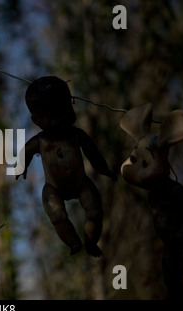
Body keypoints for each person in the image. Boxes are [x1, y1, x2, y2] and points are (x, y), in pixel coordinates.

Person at [16, 76, 116, 256]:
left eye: (64, 112)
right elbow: (26, 152)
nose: (59, 120)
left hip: (81, 183)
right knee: (57, 216)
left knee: (95, 212)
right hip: (53, 188)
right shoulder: (42, 140)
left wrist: (104, 169)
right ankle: (73, 242)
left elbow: (93, 153)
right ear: (37, 119)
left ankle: (91, 241)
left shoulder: (76, 134)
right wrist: (21, 166)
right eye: (52, 116)